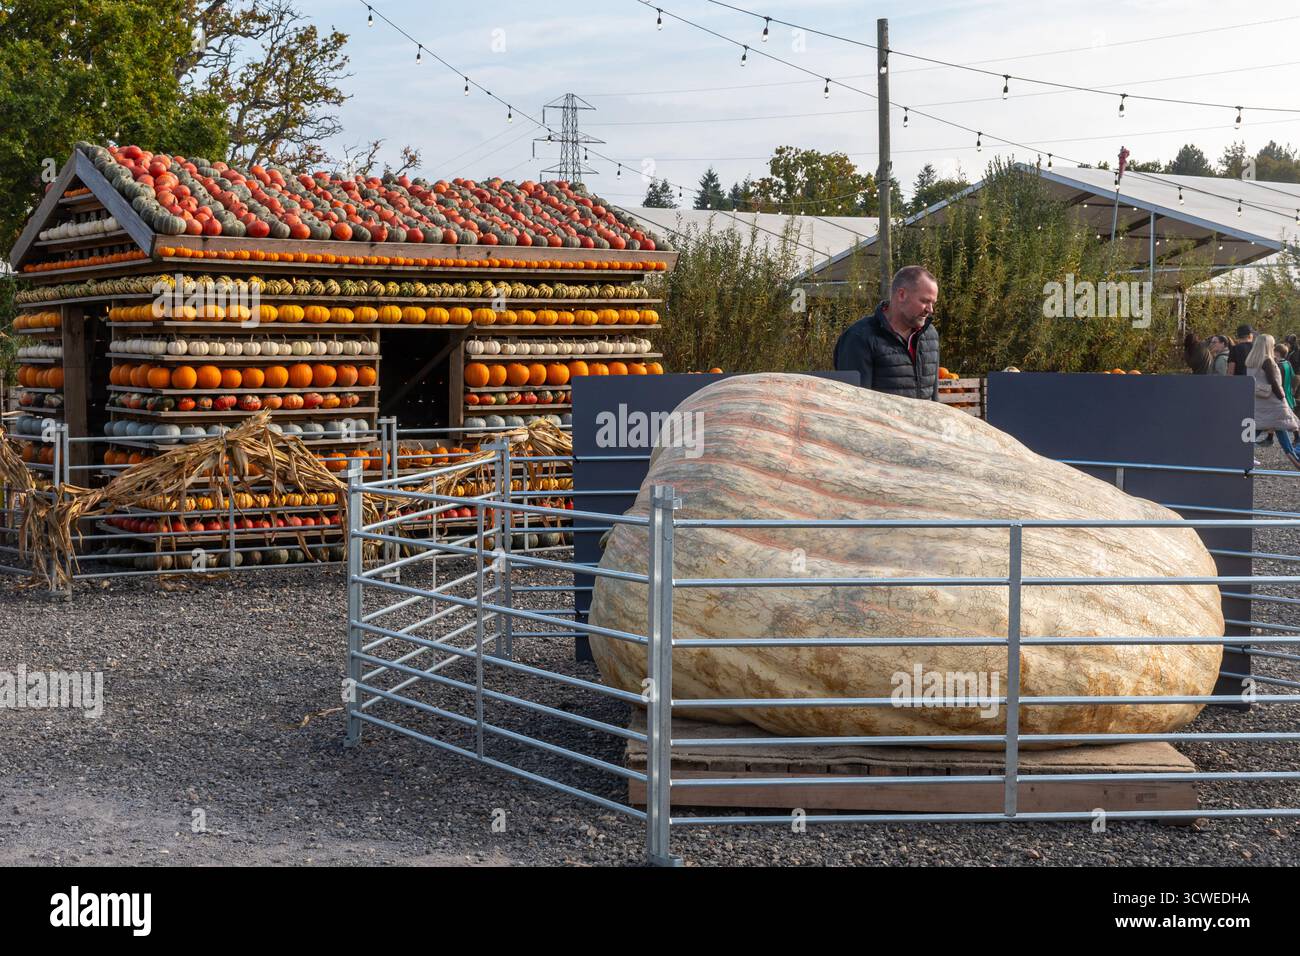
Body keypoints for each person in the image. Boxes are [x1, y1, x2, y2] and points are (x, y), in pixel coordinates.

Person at [833, 265, 940, 399]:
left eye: (933, 303)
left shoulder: (930, 335)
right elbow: (854, 403)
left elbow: (934, 398)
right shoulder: (859, 338)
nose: (930, 310)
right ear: (902, 295)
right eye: (925, 301)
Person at [1246, 333, 1300, 468]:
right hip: (1273, 401)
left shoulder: (1251, 361)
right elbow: (1274, 383)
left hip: (1259, 400)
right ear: (1268, 345)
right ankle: (1295, 459)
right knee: (1280, 427)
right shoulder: (1267, 361)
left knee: (1263, 427)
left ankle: (1295, 459)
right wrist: (1282, 398)